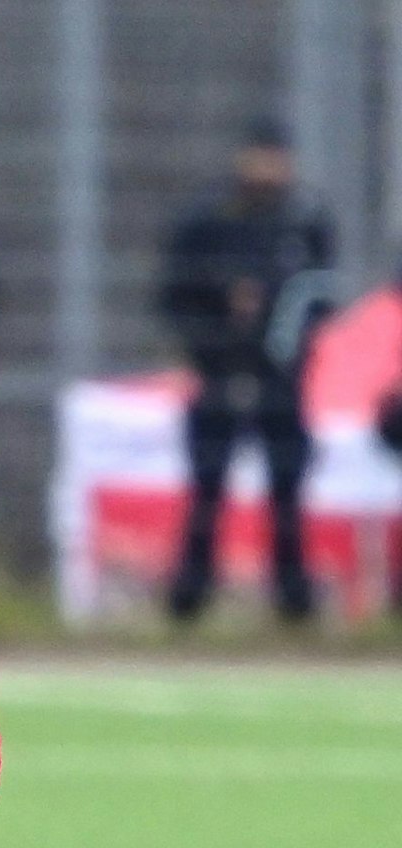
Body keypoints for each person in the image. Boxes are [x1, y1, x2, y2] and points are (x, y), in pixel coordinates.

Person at [158, 116, 335, 623]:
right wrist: (213, 333)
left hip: (281, 377)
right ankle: (189, 600)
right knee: (208, 488)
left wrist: (284, 332)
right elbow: (176, 294)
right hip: (218, 373)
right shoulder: (208, 219)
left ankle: (293, 602)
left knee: (287, 490)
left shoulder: (305, 219)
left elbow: (322, 293)